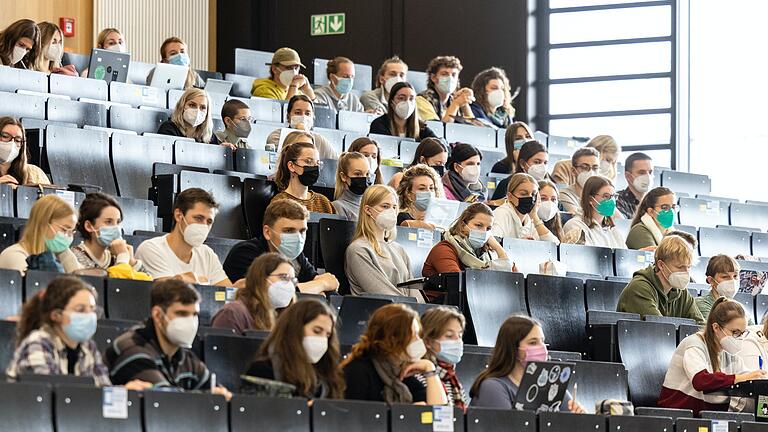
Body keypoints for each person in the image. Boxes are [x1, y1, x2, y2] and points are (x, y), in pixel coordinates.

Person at [6, 276, 148, 389]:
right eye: (80, 310)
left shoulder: (88, 347)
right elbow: (49, 395)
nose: (89, 315)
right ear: (56, 315)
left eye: (92, 309)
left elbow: (102, 390)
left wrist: (123, 393)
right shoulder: (38, 342)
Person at [105, 280, 232, 400]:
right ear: (158, 315)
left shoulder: (184, 356)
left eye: (194, 315)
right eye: (182, 314)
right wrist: (207, 397)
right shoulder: (132, 348)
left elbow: (217, 394)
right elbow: (164, 401)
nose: (190, 322)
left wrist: (219, 395)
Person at [658, 297, 765, 415]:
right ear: (716, 328)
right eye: (735, 332)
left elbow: (747, 379)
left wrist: (758, 381)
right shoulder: (694, 344)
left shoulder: (730, 353)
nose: (740, 338)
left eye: (743, 333)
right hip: (680, 415)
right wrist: (738, 378)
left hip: (712, 418)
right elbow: (700, 381)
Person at [470, 315, 585, 412]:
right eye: (533, 342)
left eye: (542, 341)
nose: (542, 348)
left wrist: (579, 418)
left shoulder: (551, 385)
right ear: (513, 348)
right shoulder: (492, 387)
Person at [222, 199, 339, 293]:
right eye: (289, 231)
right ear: (267, 232)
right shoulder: (245, 253)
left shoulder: (295, 256)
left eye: (302, 231)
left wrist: (319, 286)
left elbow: (325, 287)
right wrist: (321, 284)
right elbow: (272, 295)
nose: (298, 238)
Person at [342, 303, 448, 405]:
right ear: (392, 339)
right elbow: (354, 417)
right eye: (413, 335)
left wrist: (430, 369)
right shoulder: (358, 371)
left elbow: (440, 414)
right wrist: (407, 413)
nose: (419, 341)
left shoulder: (401, 373)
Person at [245, 299, 344, 398]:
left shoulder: (325, 375)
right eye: (317, 331)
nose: (323, 340)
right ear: (294, 329)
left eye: (327, 335)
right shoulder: (264, 369)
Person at [135, 188, 232, 286]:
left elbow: (227, 292)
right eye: (198, 218)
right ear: (178, 215)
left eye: (209, 222)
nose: (204, 226)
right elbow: (168, 295)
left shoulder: (207, 253)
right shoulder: (151, 249)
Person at [345, 185, 424, 301]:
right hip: (379, 315)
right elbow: (383, 294)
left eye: (394, 207)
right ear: (368, 210)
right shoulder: (358, 249)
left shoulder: (399, 249)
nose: (391, 212)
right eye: (385, 206)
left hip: (407, 313)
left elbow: (413, 291)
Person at [617, 235, 705, 324]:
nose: (686, 273)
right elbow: (660, 329)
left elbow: (702, 328)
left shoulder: (682, 293)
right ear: (661, 265)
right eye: (680, 267)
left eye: (688, 267)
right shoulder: (640, 288)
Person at [422, 203, 515, 276]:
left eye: (488, 229)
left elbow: (514, 281)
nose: (484, 232)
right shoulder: (444, 250)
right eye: (478, 225)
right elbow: (458, 283)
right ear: (463, 226)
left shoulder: (485, 254)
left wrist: (499, 249)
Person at [212, 253, 294, 334]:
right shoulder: (232, 313)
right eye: (284, 277)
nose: (289, 284)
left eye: (292, 280)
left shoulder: (281, 320)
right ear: (261, 277)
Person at [0, 195, 80, 274]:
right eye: (64, 229)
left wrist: (64, 252)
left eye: (71, 232)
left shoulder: (58, 256)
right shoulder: (14, 256)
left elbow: (79, 278)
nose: (68, 237)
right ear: (43, 224)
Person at [71, 192, 146, 274]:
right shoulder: (74, 257)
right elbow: (113, 285)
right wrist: (122, 258)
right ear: (89, 226)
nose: (116, 228)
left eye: (118, 222)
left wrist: (132, 262)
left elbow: (147, 284)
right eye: (108, 222)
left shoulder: (115, 256)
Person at [270, 132, 334, 214]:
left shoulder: (323, 202)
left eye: (317, 163)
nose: (314, 167)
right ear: (291, 166)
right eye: (308, 161)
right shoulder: (279, 203)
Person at [421, 306, 468, 409]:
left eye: (460, 335)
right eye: (449, 336)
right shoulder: (421, 378)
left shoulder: (451, 377)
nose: (457, 341)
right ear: (428, 341)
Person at [157, 88, 235, 149]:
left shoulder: (209, 136)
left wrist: (219, 149)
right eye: (192, 105)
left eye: (203, 107)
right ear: (182, 106)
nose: (197, 111)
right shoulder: (168, 128)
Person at [491, 173, 559, 243]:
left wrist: (534, 217)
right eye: (523, 194)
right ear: (510, 196)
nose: (530, 198)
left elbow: (554, 245)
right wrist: (519, 244)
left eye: (533, 194)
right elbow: (492, 244)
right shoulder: (501, 213)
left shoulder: (530, 219)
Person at [265, 95, 338, 160]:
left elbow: (335, 162)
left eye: (307, 113)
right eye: (297, 113)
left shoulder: (319, 140)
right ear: (288, 116)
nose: (303, 117)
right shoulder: (276, 136)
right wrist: (300, 133)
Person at [562, 176, 626, 248]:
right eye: (606, 196)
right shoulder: (575, 226)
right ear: (590, 199)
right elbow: (584, 256)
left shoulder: (614, 231)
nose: (611, 201)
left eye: (614, 196)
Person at [369, 82, 437, 141]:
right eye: (401, 98)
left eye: (411, 99)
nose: (407, 103)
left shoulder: (421, 127)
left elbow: (440, 145)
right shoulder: (379, 124)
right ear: (391, 102)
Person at [415, 55, 475, 123]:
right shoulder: (421, 100)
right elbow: (439, 130)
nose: (450, 78)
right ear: (433, 78)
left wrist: (464, 103)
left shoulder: (453, 99)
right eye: (444, 74)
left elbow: (474, 128)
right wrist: (456, 104)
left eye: (454, 75)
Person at [696, 255, 748, 323]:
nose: (732, 281)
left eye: (735, 276)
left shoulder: (739, 308)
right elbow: (712, 329)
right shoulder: (702, 304)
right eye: (725, 277)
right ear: (711, 280)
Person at [551, 135, 621, 186]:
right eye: (608, 160)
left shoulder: (605, 178)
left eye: (613, 163)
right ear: (596, 150)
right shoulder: (564, 167)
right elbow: (560, 199)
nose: (609, 166)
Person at [0, 116, 50, 186]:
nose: (12, 143)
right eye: (5, 136)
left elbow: (50, 196)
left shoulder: (35, 173)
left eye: (17, 140)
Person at [397, 164, 442, 230]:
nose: (429, 192)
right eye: (422, 188)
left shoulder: (439, 217)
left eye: (431, 188)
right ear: (408, 193)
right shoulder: (402, 217)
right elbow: (406, 224)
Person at [558, 147, 600, 214]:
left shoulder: (601, 194)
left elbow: (617, 218)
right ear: (573, 171)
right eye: (585, 167)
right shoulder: (565, 194)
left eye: (595, 168)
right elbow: (577, 217)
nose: (591, 172)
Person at [331, 151, 371, 220]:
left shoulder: (372, 206)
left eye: (367, 174)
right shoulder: (338, 206)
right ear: (343, 176)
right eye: (358, 174)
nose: (364, 178)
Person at [616, 152, 654, 219]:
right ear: (628, 176)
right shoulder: (618, 200)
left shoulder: (656, 201)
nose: (648, 177)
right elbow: (624, 227)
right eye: (642, 172)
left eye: (650, 172)